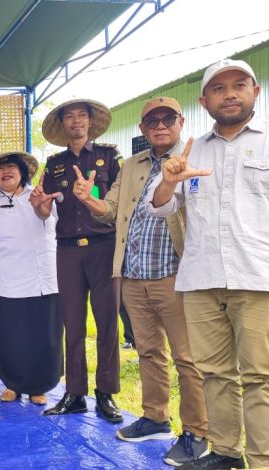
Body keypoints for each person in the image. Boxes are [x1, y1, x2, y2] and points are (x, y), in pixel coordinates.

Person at [72, 97, 208, 466]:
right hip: (132, 275)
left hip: (176, 274)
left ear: (180, 121)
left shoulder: (198, 156)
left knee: (187, 358)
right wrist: (89, 199)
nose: (160, 125)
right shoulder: (131, 164)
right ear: (143, 129)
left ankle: (197, 432)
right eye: (152, 121)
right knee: (148, 351)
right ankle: (155, 418)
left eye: (168, 119)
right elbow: (111, 211)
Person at [148, 59, 269, 470]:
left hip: (258, 276)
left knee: (260, 378)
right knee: (215, 373)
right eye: (219, 89)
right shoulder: (190, 150)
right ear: (205, 101)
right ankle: (226, 453)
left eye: (239, 85)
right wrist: (167, 181)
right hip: (200, 278)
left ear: (255, 92)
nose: (229, 93)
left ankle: (262, 459)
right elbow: (158, 209)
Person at [32, 98, 123, 423]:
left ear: (89, 121)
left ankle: (106, 393)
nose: (76, 121)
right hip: (68, 249)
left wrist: (92, 196)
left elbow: (118, 200)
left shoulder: (109, 157)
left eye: (81, 116)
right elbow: (45, 210)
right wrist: (39, 205)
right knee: (72, 322)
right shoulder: (54, 164)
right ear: (62, 125)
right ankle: (74, 393)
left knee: (107, 322)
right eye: (69, 116)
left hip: (103, 246)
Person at [0, 152, 62, 405]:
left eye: (11, 167)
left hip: (43, 279)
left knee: (43, 336)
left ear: (22, 173)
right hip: (5, 281)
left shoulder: (39, 194)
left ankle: (39, 386)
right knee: (9, 337)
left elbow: (56, 226)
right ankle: (13, 385)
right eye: (0, 169)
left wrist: (44, 206)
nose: (5, 171)